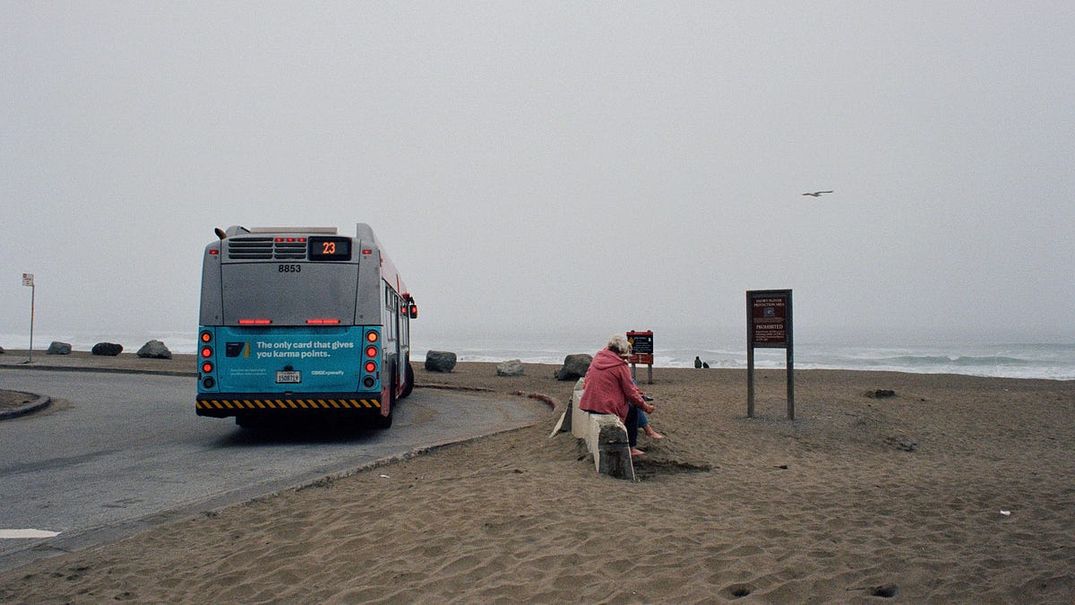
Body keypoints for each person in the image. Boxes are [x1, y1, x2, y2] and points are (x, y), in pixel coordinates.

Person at [579, 334, 656, 457]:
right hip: (605, 406)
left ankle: (646, 432)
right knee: (632, 410)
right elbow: (630, 392)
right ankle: (631, 448)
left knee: (631, 404)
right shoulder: (620, 365)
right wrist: (645, 406)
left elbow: (587, 377)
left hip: (590, 402)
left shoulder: (598, 358)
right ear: (621, 351)